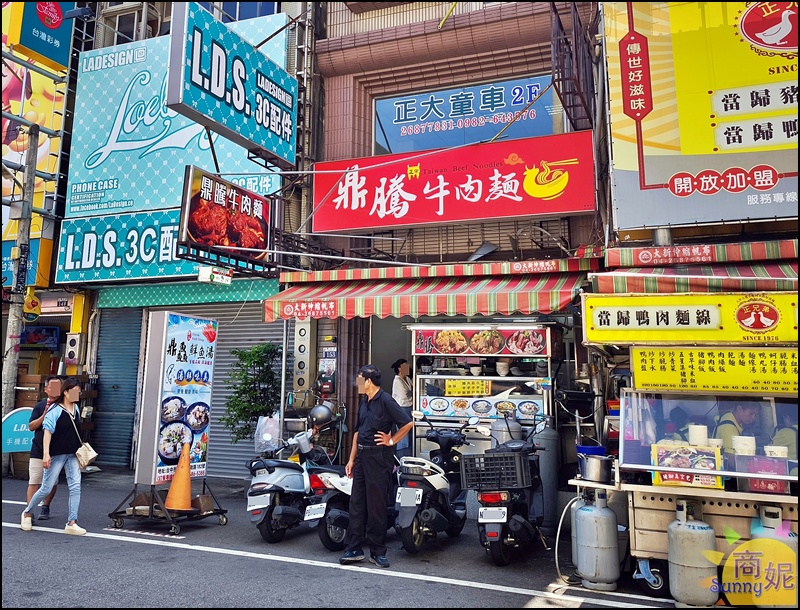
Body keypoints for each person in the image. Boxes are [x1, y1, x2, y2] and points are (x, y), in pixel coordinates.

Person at [339, 364, 413, 568]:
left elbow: (407, 423)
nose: (357, 382)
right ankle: (353, 548)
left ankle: (377, 551)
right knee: (356, 503)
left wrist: (391, 440)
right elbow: (357, 432)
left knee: (376, 506)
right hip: (362, 457)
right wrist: (351, 459)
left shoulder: (386, 400)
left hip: (379, 458)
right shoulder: (364, 401)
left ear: (369, 381)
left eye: (359, 379)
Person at [21, 377, 87, 536]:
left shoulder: (76, 409)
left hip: (72, 454)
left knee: (75, 486)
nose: (78, 395)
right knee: (46, 487)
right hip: (57, 454)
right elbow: (47, 433)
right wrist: (46, 455)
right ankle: (27, 512)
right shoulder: (55, 410)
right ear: (66, 392)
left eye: (79, 392)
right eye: (75, 391)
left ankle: (72, 522)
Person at [27, 375, 62, 520]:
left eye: (59, 386)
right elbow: (31, 426)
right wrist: (44, 416)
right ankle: (29, 512)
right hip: (38, 449)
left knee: (52, 482)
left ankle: (46, 506)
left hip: (56, 451)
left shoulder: (65, 405)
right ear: (46, 389)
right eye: (53, 387)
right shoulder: (40, 405)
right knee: (34, 480)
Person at [390, 358, 413, 459]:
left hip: (409, 408)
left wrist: (411, 394)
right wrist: (412, 394)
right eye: (404, 366)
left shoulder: (407, 378)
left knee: (410, 433)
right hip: (401, 409)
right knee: (403, 434)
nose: (407, 368)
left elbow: (413, 390)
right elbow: (404, 396)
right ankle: (402, 458)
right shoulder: (397, 380)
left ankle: (409, 456)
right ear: (399, 368)